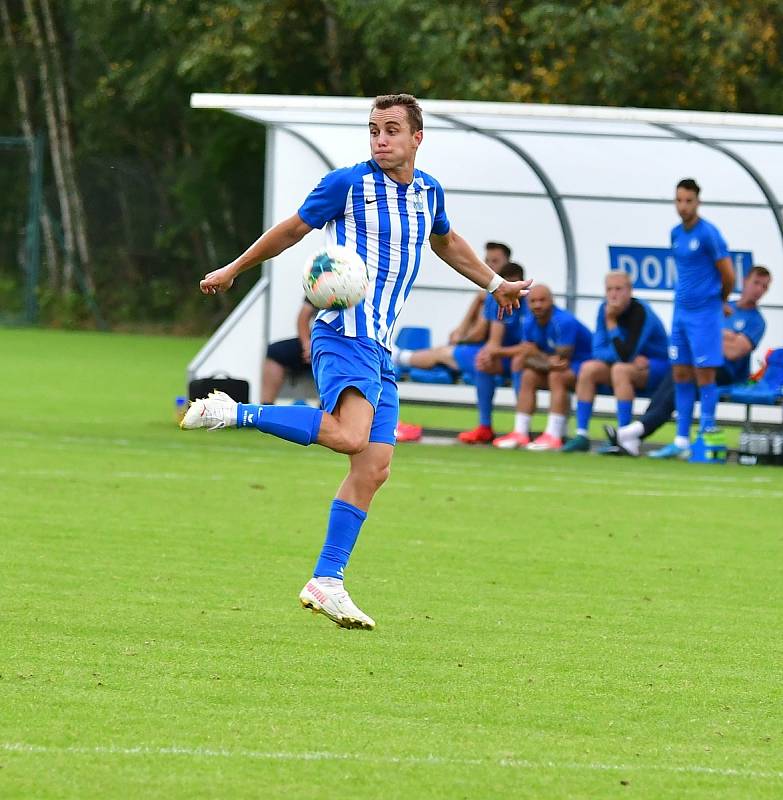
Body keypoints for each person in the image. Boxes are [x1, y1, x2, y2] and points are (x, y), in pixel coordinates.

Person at [181, 93, 530, 630]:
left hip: (381, 345)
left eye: (391, 129)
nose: (381, 139)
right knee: (349, 435)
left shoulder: (428, 192)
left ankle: (327, 580)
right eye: (373, 129)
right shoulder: (348, 184)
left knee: (374, 466)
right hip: (345, 332)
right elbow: (293, 229)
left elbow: (448, 242)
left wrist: (495, 282)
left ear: (417, 137)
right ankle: (235, 411)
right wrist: (234, 268)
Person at [604, 265, 771, 456]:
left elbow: (735, 352)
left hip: (726, 372)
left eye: (764, 287)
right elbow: (693, 337)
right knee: (676, 373)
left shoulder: (757, 321)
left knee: (686, 376)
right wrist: (725, 336)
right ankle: (635, 436)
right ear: (745, 282)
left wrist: (708, 334)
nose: (758, 289)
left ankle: (637, 433)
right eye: (756, 283)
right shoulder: (724, 308)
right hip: (698, 362)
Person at [646, 178, 735, 460]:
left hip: (705, 314)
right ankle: (681, 439)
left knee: (704, 373)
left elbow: (728, 274)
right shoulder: (675, 233)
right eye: (679, 201)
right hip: (680, 314)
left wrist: (719, 301)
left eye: (688, 201)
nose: (683, 206)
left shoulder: (709, 234)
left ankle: (706, 433)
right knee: (681, 372)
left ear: (698, 202)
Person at [393, 242, 512, 443]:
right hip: (482, 353)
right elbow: (458, 333)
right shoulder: (485, 295)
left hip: (497, 356)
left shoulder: (502, 293)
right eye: (487, 261)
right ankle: (485, 426)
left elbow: (477, 334)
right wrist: (475, 303)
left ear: (507, 262)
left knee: (447, 354)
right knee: (446, 351)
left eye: (496, 261)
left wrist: (461, 338)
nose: (490, 265)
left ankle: (397, 357)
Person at [561, 270, 669, 452]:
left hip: (656, 365)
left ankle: (622, 436)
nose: (613, 294)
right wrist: (622, 355)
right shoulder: (603, 309)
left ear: (630, 291)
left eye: (619, 289)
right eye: (609, 289)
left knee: (620, 369)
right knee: (588, 369)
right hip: (626, 365)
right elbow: (598, 351)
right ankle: (582, 434)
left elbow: (626, 354)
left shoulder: (641, 312)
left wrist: (611, 323)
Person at [493, 284, 592, 451]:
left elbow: (562, 360)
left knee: (556, 376)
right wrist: (544, 360)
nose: (537, 305)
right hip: (554, 367)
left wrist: (537, 355)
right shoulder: (528, 321)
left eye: (542, 300)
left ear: (552, 301)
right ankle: (521, 432)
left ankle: (554, 435)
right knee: (528, 376)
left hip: (583, 366)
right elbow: (526, 357)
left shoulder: (564, 321)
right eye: (533, 301)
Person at [457, 261, 527, 443]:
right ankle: (485, 427)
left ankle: (521, 430)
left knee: (520, 362)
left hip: (529, 360)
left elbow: (530, 348)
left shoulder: (533, 303)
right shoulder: (496, 298)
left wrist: (496, 352)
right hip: (507, 357)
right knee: (483, 363)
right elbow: (494, 343)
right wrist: (489, 354)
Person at [261, 300, 317, 404]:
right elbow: (303, 317)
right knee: (275, 352)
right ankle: (265, 409)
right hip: (318, 340)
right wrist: (307, 344)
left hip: (346, 345)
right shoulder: (319, 285)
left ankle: (331, 412)